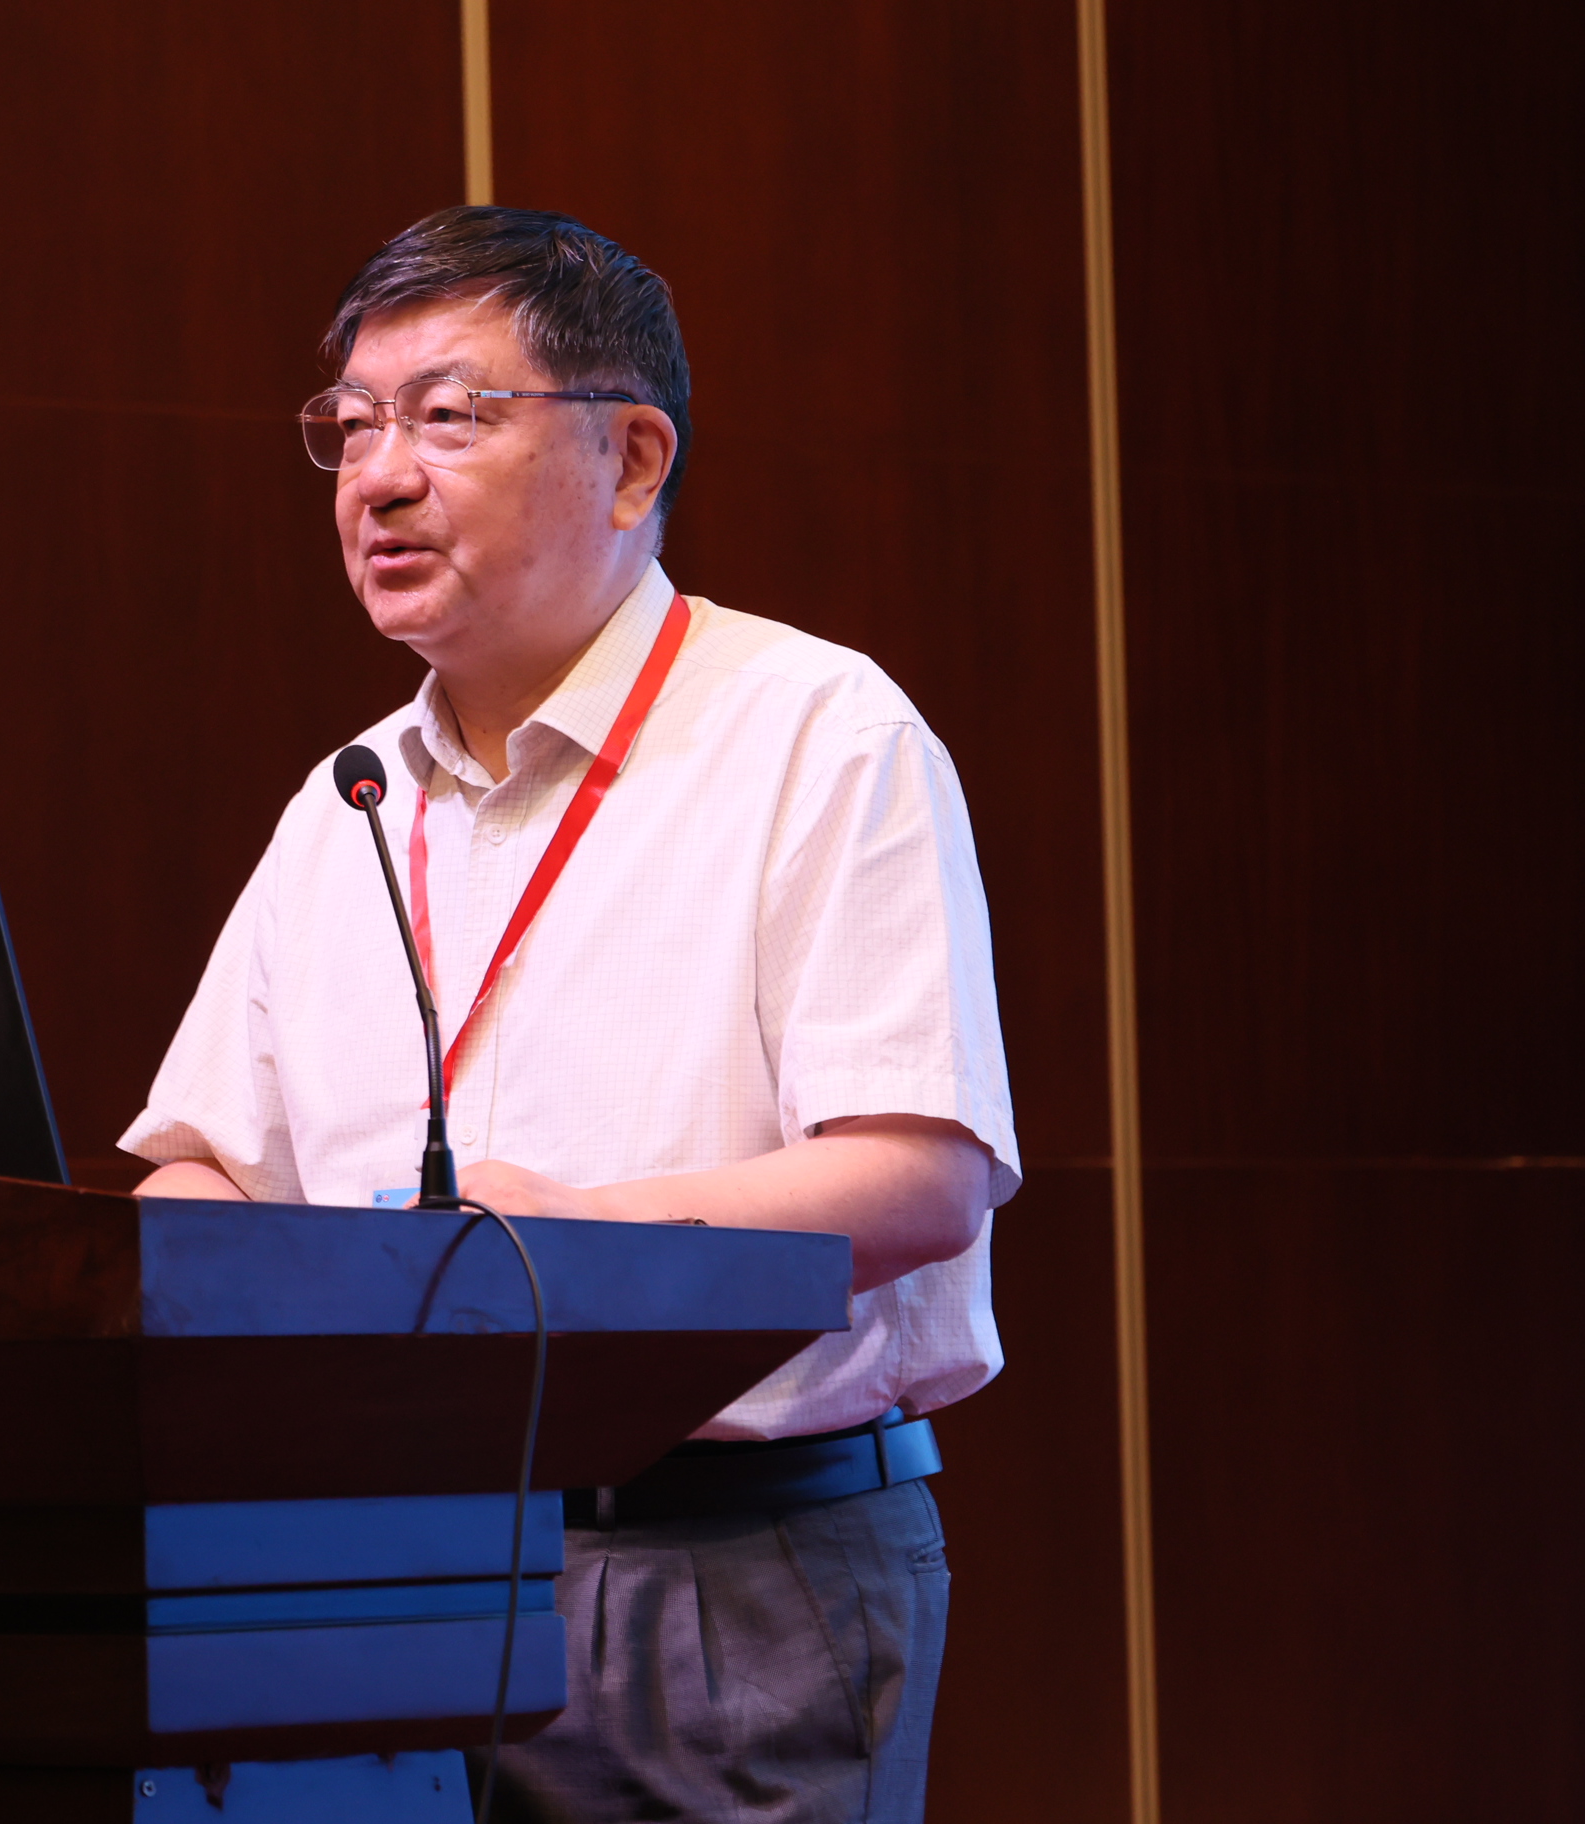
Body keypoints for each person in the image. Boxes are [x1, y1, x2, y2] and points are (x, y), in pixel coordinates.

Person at [120, 206, 1020, 1824]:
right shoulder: (350, 799)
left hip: (724, 1565)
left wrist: (558, 1249)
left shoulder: (815, 733)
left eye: (448, 416)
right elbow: (204, 1168)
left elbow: (919, 1174)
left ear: (630, 459)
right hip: (370, 1562)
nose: (380, 477)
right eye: (352, 426)